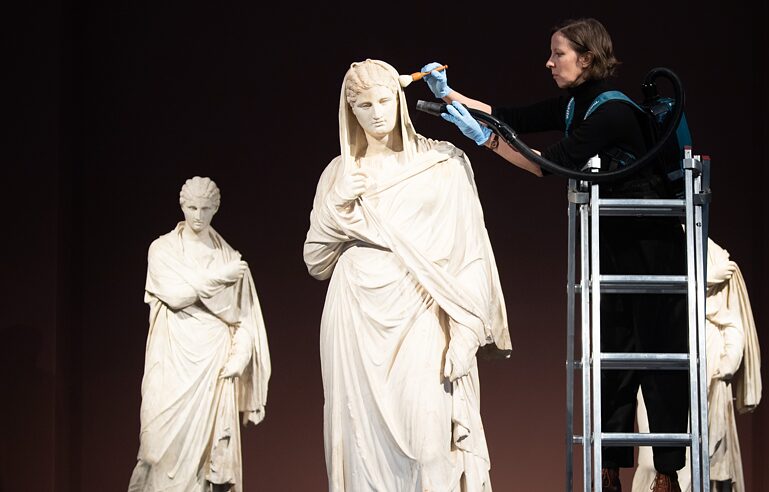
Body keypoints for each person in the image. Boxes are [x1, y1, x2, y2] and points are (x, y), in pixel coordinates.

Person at [423, 18, 689, 492]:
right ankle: (609, 469)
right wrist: (450, 96)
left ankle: (667, 472)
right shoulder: (577, 104)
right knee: (613, 353)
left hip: (651, 242)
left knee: (653, 349)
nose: (549, 62)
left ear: (586, 58)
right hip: (614, 237)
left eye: (558, 54)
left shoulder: (611, 112)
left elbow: (549, 164)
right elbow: (512, 117)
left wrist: (483, 140)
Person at [303, 59, 510, 491]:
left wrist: (466, 330)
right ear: (350, 111)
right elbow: (316, 260)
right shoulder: (339, 174)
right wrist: (337, 204)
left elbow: (470, 252)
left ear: (399, 99)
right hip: (355, 315)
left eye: (384, 101)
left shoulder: (442, 164)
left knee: (428, 443)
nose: (377, 113)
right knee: (359, 448)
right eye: (364, 105)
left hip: (421, 306)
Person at [128, 176, 271, 492]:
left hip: (214, 363)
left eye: (205, 208)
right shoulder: (164, 250)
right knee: (157, 445)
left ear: (215, 209)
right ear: (182, 205)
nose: (198, 215)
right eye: (192, 207)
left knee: (208, 458)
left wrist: (239, 358)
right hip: (171, 361)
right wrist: (221, 277)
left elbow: (245, 320)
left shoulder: (228, 256)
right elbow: (177, 296)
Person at [632, 238, 761, 492]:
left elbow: (733, 324)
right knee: (651, 458)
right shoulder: (656, 253)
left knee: (699, 460)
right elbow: (654, 294)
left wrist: (729, 362)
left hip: (706, 379)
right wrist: (706, 278)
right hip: (659, 371)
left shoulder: (714, 257)